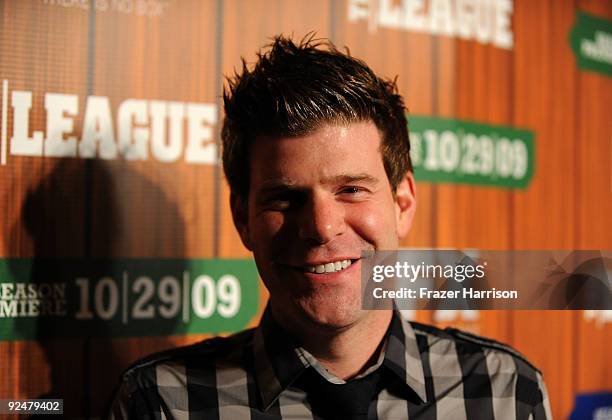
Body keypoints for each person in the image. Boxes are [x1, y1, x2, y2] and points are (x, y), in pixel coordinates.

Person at [109, 35, 551, 419]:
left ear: (403, 202)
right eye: (285, 197)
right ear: (243, 218)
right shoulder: (162, 402)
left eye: (351, 190)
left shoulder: (506, 391)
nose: (321, 227)